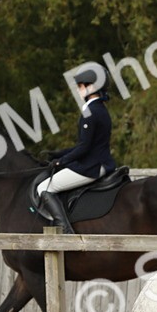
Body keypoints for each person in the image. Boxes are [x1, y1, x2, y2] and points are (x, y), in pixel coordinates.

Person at [36, 69, 116, 233]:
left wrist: (61, 162)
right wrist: (58, 154)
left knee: (44, 188)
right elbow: (85, 145)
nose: (78, 90)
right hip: (101, 162)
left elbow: (84, 148)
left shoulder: (91, 112)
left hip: (91, 166)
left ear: (91, 88)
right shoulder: (100, 109)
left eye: (80, 86)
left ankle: (65, 231)